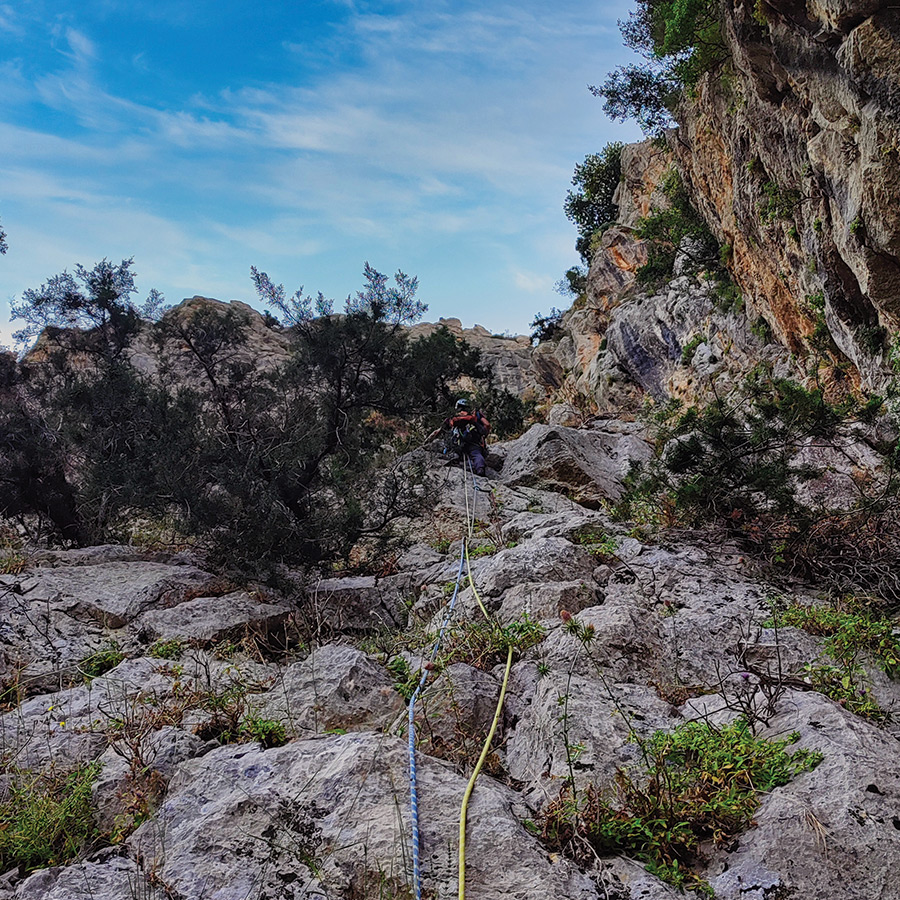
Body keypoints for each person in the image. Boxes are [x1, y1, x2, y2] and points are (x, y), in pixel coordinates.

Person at [426, 398, 491, 476]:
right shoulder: (475, 415)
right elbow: (487, 425)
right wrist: (484, 436)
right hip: (474, 443)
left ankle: (454, 466)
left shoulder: (453, 417)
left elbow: (438, 431)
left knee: (453, 454)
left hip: (458, 444)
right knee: (476, 455)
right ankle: (480, 469)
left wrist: (427, 442)